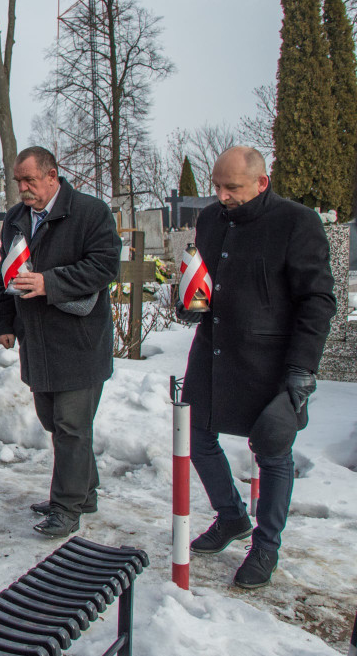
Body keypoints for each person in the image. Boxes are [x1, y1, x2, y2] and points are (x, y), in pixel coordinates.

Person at [180, 146, 335, 589]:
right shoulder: (210, 220)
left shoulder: (296, 222)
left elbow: (317, 300)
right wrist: (192, 305)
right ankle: (231, 515)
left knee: (272, 450)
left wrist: (302, 369)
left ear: (261, 183)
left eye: (232, 188)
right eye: (217, 186)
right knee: (196, 434)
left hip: (270, 360)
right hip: (212, 351)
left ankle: (266, 545)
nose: (222, 196)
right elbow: (206, 280)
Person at [0, 146, 120, 538]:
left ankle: (67, 507)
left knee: (70, 425)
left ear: (53, 175)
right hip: (38, 341)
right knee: (55, 421)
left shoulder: (90, 212)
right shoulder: (15, 219)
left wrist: (50, 283)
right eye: (18, 181)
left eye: (29, 180)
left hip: (79, 340)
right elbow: (6, 274)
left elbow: (104, 266)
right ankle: (86, 490)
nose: (23, 188)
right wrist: (4, 321)